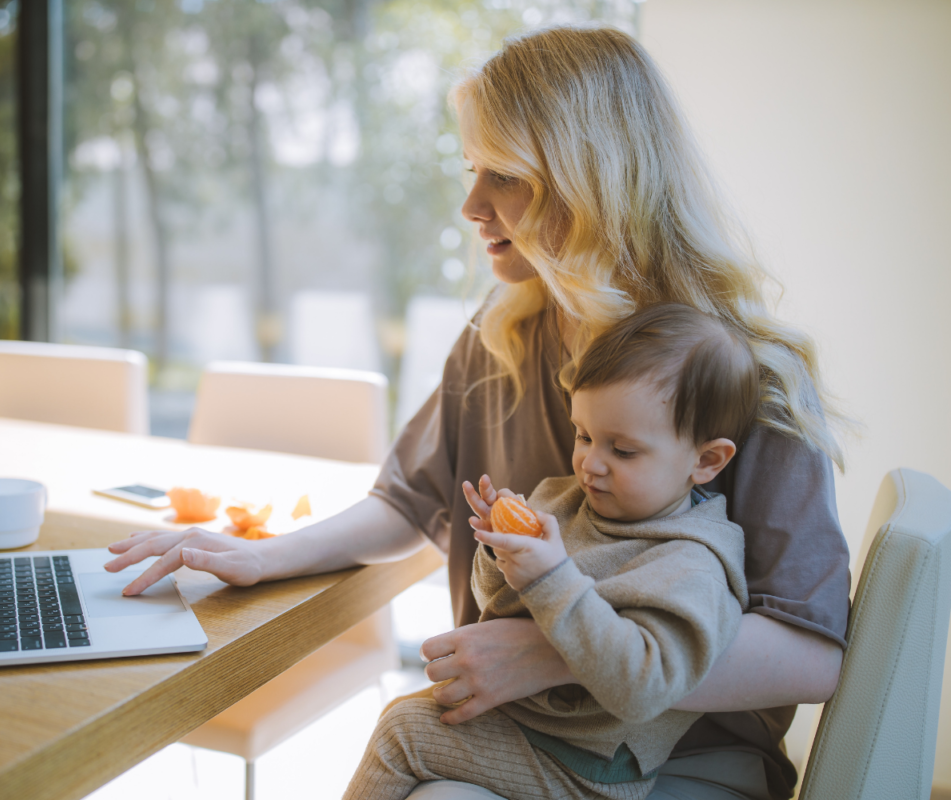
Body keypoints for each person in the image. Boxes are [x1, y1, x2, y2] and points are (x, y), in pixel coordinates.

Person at [105, 25, 850, 800]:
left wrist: (557, 650)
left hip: (685, 759)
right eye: (471, 170)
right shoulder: (503, 332)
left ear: (592, 181)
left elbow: (812, 654)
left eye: (505, 176)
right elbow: (408, 502)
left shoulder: (743, 373)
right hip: (524, 728)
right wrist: (264, 555)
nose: (470, 204)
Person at [343, 303, 758, 800]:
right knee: (406, 714)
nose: (591, 464)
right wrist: (500, 550)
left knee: (402, 732)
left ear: (707, 460)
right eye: (583, 435)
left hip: (590, 765)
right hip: (532, 725)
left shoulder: (691, 561)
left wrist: (552, 576)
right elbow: (497, 607)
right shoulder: (567, 500)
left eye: (622, 450)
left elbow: (644, 687)